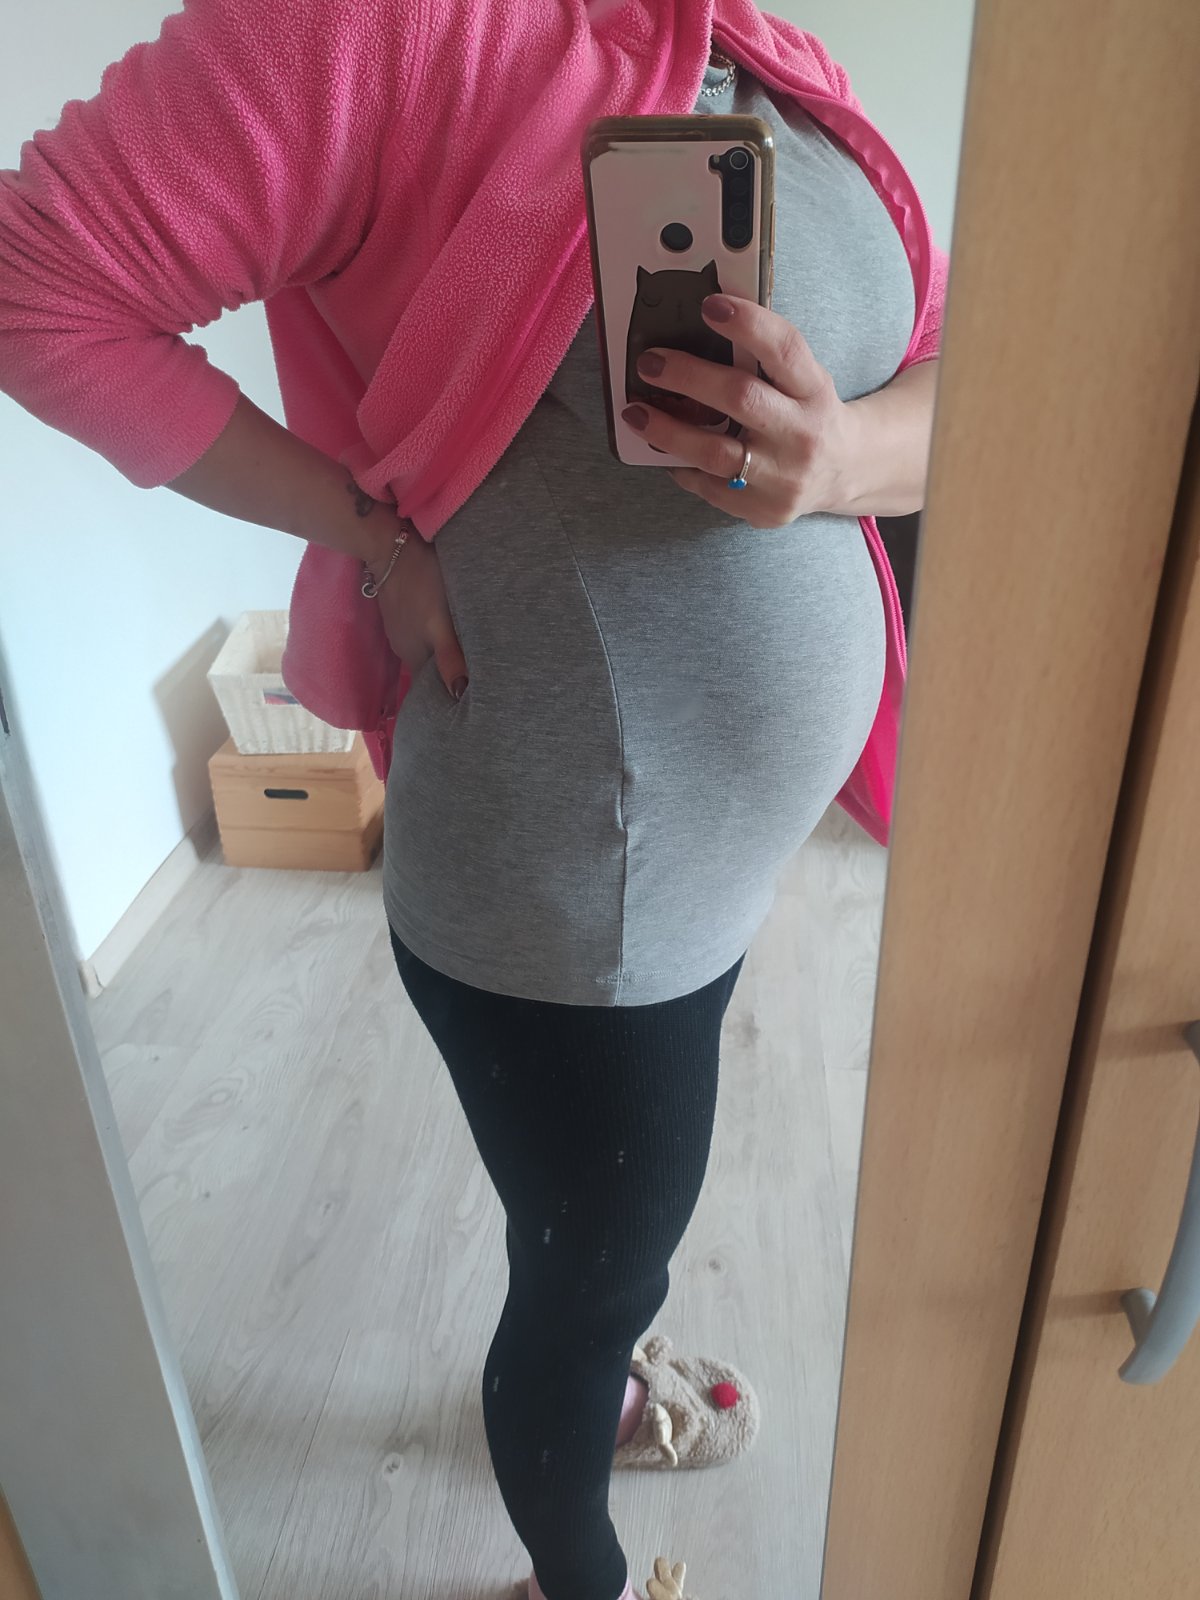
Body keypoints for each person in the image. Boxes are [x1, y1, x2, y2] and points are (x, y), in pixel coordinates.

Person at [0, 2, 947, 1596]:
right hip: (570, 884)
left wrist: (842, 458)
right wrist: (368, 531)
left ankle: (602, 1352)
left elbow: (951, 354)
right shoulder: (357, 24)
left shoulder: (744, 30)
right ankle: (578, 1570)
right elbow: (36, 283)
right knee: (582, 1284)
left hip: (690, 871)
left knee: (605, 1234)